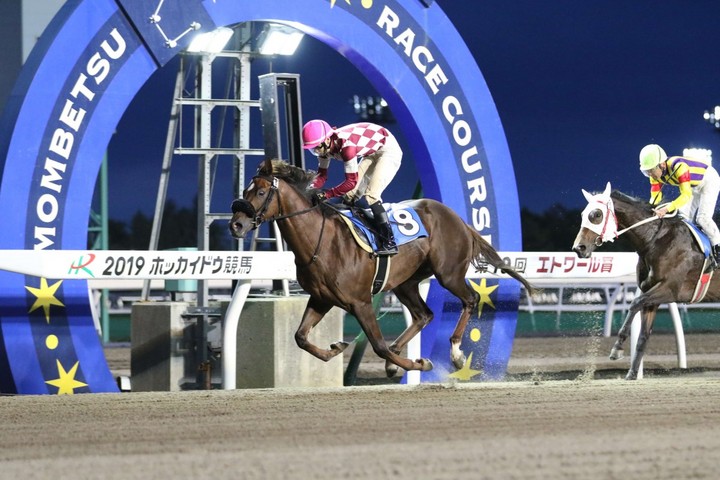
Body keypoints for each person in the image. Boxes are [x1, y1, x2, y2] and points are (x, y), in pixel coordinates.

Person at [301, 119, 402, 255]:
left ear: (327, 140)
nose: (316, 152)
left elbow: (351, 182)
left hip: (388, 150)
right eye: (312, 149)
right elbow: (321, 177)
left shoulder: (347, 147)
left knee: (371, 195)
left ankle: (389, 242)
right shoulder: (324, 147)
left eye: (317, 147)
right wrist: (308, 190)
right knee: (349, 196)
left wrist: (328, 194)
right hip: (371, 151)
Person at [639, 143, 720, 268]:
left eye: (651, 170)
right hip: (693, 186)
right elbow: (655, 199)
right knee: (683, 219)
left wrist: (666, 209)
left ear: (662, 164)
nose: (650, 174)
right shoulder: (654, 176)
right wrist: (650, 212)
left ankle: (718, 251)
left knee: (703, 218)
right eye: (646, 172)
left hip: (709, 181)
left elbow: (686, 195)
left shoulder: (679, 167)